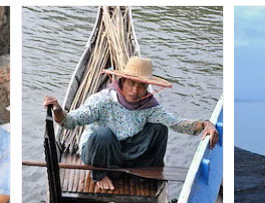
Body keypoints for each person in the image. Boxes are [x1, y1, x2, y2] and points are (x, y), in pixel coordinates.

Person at [42, 56, 218, 190]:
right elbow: (71, 121)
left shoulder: (150, 106)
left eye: (141, 86)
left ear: (147, 88)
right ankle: (100, 175)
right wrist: (58, 110)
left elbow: (176, 123)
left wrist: (205, 124)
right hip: (97, 153)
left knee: (159, 128)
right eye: (131, 83)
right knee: (104, 134)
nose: (135, 90)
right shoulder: (103, 100)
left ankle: (149, 172)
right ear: (122, 81)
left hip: (124, 151)